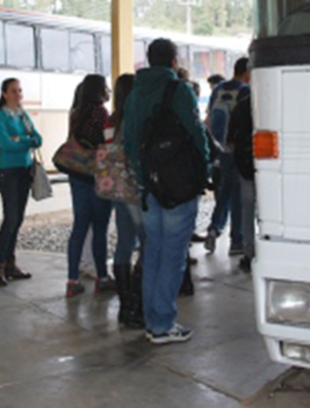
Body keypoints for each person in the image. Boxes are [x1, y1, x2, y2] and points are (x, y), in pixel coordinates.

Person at [124, 38, 209, 345]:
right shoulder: (180, 90)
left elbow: (129, 141)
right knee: (173, 257)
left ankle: (152, 320)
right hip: (178, 187)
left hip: (149, 187)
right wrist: (204, 172)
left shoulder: (135, 93)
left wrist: (144, 178)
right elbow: (197, 135)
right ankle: (162, 324)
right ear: (173, 61)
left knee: (153, 253)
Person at [65, 74, 115, 297]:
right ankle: (102, 277)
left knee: (79, 227)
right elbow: (105, 145)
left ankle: (72, 280)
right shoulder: (101, 113)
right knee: (99, 229)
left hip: (77, 175)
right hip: (96, 175)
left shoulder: (76, 113)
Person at [0, 78, 43, 287]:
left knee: (18, 218)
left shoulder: (23, 115)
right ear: (5, 94)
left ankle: (10, 263)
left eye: (20, 90)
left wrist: (19, 139)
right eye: (14, 91)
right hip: (9, 172)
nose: (18, 94)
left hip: (25, 170)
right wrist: (25, 140)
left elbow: (38, 139)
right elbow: (4, 143)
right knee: (10, 218)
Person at [107, 73, 145, 328]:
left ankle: (125, 305)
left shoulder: (111, 120)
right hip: (135, 185)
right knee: (147, 241)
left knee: (123, 242)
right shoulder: (135, 117)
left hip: (116, 186)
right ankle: (137, 303)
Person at [204, 57, 251, 257]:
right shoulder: (245, 91)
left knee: (224, 191)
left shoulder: (219, 88)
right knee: (239, 196)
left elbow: (208, 118)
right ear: (248, 73)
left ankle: (214, 228)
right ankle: (237, 240)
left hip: (220, 149)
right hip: (238, 149)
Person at [228, 88, 255, 273]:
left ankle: (249, 252)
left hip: (245, 167)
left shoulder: (241, 106)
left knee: (248, 208)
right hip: (272, 168)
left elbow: (230, 141)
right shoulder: (277, 102)